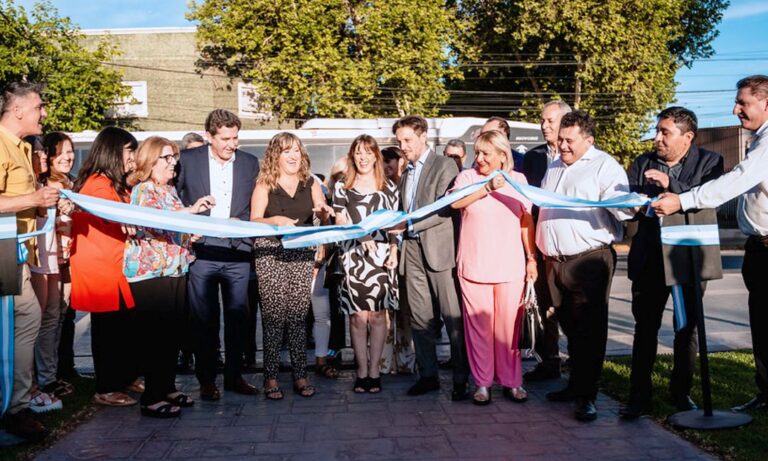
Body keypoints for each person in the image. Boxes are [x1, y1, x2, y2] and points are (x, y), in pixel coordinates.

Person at [652, 75, 768, 412]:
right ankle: (766, 394)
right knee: (761, 324)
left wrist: (683, 200)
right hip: (757, 246)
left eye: (742, 103)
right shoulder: (758, 139)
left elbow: (738, 179)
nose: (735, 110)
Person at [620, 107, 724, 419]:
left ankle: (681, 392)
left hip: (687, 257)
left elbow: (708, 200)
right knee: (645, 327)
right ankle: (639, 396)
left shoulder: (710, 162)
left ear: (687, 137)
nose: (657, 138)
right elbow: (632, 202)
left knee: (686, 327)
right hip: (650, 258)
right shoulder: (642, 163)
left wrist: (671, 184)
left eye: (665, 132)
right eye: (657, 130)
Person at [536, 111, 633, 421]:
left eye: (569, 141)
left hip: (589, 260)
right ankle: (574, 385)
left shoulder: (605, 166)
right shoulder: (553, 165)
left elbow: (623, 209)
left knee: (590, 330)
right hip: (555, 262)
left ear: (589, 140)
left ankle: (587, 396)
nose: (562, 146)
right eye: (560, 139)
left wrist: (630, 204)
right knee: (569, 329)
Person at [124, 136, 214, 418]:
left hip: (175, 269)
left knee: (172, 333)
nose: (173, 162)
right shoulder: (143, 190)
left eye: (173, 157)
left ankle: (167, 386)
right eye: (166, 157)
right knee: (156, 336)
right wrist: (192, 210)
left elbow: (175, 226)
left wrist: (190, 232)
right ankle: (151, 397)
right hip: (151, 274)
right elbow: (157, 221)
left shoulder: (169, 190)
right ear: (150, 161)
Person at [176, 109, 260, 401]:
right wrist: (187, 230)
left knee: (239, 318)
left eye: (235, 138)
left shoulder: (250, 163)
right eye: (225, 138)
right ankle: (207, 381)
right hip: (202, 252)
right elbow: (174, 200)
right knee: (204, 319)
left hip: (238, 252)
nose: (231, 144)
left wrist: (245, 222)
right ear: (209, 137)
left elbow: (256, 205)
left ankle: (235, 376)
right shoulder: (187, 160)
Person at [450, 130, 537, 405]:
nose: (480, 158)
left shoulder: (519, 180)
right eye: (477, 152)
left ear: (502, 155)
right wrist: (486, 188)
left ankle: (512, 382)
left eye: (486, 153)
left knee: (507, 329)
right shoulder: (467, 177)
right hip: (474, 266)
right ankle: (483, 383)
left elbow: (526, 221)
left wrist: (531, 257)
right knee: (478, 330)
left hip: (510, 266)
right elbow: (454, 202)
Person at [390, 115, 470, 400]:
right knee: (420, 318)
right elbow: (404, 208)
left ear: (423, 136)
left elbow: (444, 207)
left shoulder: (445, 164)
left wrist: (409, 224)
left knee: (452, 318)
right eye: (399, 141)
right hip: (410, 250)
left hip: (439, 250)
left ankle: (462, 378)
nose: (403, 146)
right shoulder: (406, 170)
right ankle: (428, 376)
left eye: (407, 140)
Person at [251, 132, 334, 400]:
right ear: (275, 155)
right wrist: (274, 219)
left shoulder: (310, 182)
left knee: (298, 317)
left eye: (297, 150)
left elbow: (320, 208)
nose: (293, 156)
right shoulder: (264, 184)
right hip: (270, 252)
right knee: (274, 317)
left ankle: (300, 375)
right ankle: (271, 377)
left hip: (301, 252)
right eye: (287, 151)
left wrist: (324, 212)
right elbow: (253, 220)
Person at [0, 82, 59, 441]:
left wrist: (45, 202)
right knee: (28, 316)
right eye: (39, 106)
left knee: (25, 319)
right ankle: (16, 408)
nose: (44, 113)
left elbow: (21, 198)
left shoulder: (22, 147)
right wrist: (34, 197)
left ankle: (17, 405)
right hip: (3, 250)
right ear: (18, 110)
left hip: (15, 252)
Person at [70, 126, 140, 407]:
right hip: (102, 267)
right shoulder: (98, 185)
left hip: (115, 264)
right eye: (129, 151)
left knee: (122, 327)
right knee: (108, 331)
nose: (133, 157)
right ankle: (107, 387)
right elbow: (122, 217)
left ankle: (124, 378)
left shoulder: (113, 183)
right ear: (113, 152)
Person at [333, 135, 399, 393]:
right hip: (353, 255)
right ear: (353, 156)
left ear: (376, 156)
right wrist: (360, 233)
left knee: (379, 316)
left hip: (382, 256)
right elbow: (339, 219)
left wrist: (394, 249)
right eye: (358, 153)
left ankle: (375, 371)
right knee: (358, 317)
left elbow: (395, 223)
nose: (363, 158)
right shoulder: (343, 186)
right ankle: (361, 372)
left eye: (368, 153)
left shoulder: (389, 187)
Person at [521, 100, 572, 382]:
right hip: (541, 241)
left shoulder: (583, 155)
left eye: (550, 121)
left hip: (570, 243)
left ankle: (577, 361)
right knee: (544, 304)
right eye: (542, 121)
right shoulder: (534, 157)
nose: (544, 126)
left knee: (572, 307)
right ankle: (549, 360)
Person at [31, 132, 77, 406]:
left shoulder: (69, 184)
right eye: (60, 152)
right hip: (46, 258)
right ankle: (45, 378)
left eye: (70, 151)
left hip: (64, 256)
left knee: (59, 314)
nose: (67, 157)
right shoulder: (45, 186)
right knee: (48, 316)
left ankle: (53, 373)